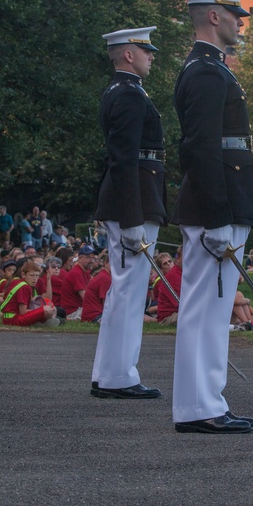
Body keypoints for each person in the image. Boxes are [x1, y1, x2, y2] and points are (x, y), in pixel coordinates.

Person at [170, 0, 253, 434]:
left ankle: (206, 402)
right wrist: (218, 215)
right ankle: (199, 406)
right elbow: (200, 148)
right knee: (207, 307)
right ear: (213, 17)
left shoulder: (212, 69)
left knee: (211, 307)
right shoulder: (206, 72)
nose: (239, 21)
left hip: (221, 201)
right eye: (234, 14)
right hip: (217, 205)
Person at [88, 26, 167, 400]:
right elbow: (124, 160)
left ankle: (109, 373)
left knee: (125, 291)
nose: (152, 55)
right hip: (132, 201)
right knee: (129, 292)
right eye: (146, 50)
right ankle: (118, 376)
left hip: (132, 197)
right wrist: (133, 217)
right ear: (129, 55)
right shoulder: (130, 96)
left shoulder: (122, 92)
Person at [0, 260, 58, 327]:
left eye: (37, 276)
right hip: (14, 319)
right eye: (32, 275)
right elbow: (23, 312)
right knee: (47, 309)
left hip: (7, 318)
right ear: (23, 275)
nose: (35, 279)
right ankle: (42, 322)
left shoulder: (17, 282)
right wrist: (40, 311)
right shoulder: (25, 287)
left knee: (51, 309)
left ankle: (41, 322)